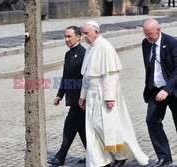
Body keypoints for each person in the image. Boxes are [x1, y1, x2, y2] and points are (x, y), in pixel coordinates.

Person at [78, 21, 149, 167]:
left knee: (104, 126)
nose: (84, 36)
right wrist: (82, 96)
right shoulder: (90, 48)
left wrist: (109, 97)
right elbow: (86, 75)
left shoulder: (106, 47)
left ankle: (123, 155)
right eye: (83, 33)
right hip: (91, 95)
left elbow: (111, 76)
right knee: (92, 129)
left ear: (96, 32)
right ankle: (101, 160)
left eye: (86, 33)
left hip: (102, 94)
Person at [48, 26, 86, 166]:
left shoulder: (84, 53)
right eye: (65, 36)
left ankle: (60, 157)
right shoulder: (68, 54)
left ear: (78, 37)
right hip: (73, 99)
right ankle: (93, 155)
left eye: (69, 36)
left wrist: (84, 97)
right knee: (82, 130)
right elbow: (65, 77)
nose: (66, 39)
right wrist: (59, 95)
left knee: (69, 128)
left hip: (81, 101)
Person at [142, 19, 177, 167]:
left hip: (172, 90)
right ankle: (164, 156)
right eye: (145, 35)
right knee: (152, 121)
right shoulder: (145, 43)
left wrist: (167, 90)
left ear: (158, 30)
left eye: (150, 34)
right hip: (155, 89)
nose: (148, 38)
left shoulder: (171, 42)